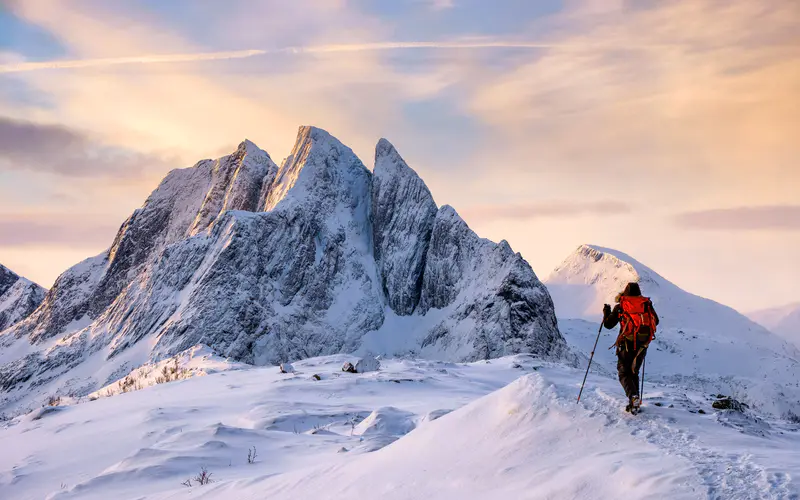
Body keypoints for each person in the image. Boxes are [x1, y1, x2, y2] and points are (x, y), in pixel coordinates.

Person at [602, 282, 659, 413]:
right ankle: (635, 402)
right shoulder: (646, 304)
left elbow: (608, 325)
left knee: (624, 373)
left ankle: (633, 397)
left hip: (626, 344)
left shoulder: (621, 306)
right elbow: (656, 321)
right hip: (643, 344)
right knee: (634, 372)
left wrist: (606, 312)